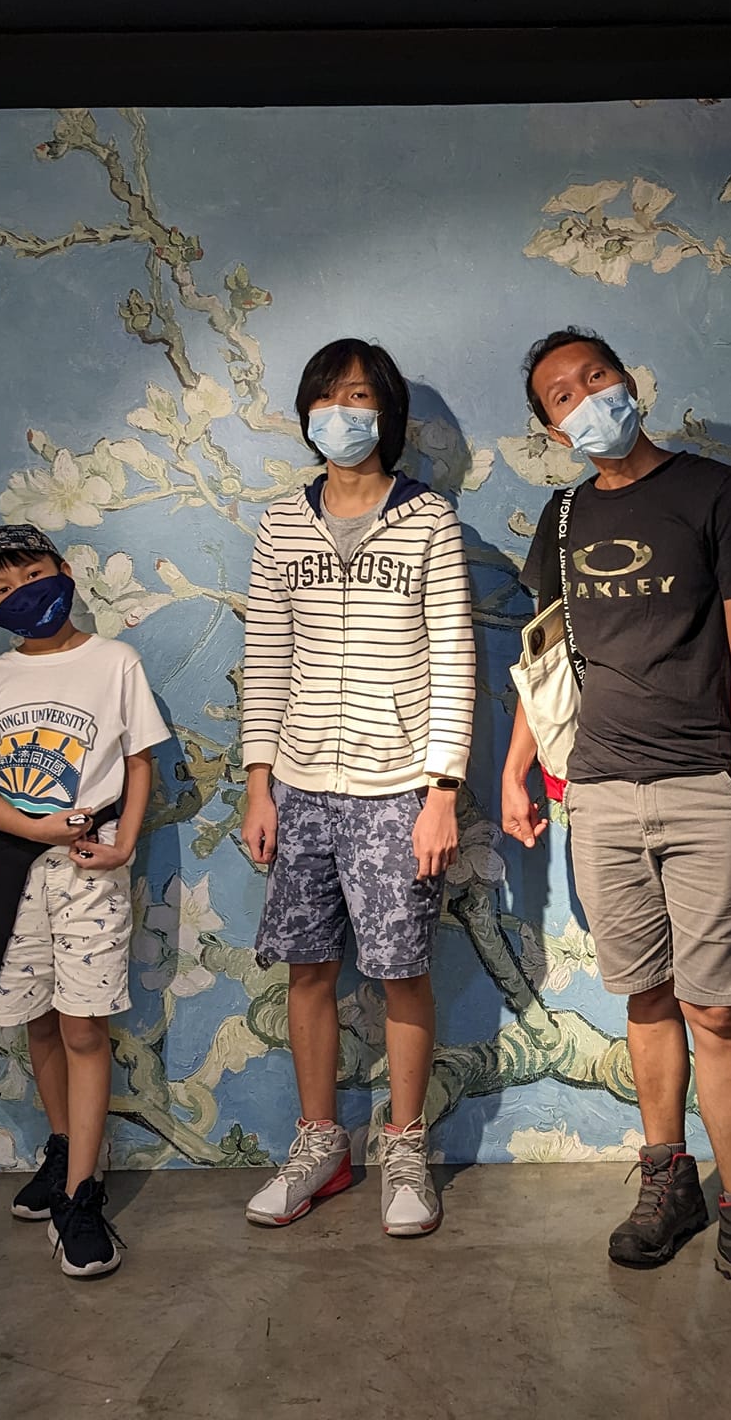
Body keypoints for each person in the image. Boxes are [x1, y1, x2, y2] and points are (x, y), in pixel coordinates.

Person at [500, 327, 731, 1328]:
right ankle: (667, 1182)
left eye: (593, 377)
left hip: (702, 788)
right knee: (644, 997)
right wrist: (517, 768)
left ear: (627, 380)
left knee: (716, 1014)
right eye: (560, 396)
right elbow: (545, 658)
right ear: (551, 429)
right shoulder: (562, 518)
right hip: (599, 792)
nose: (584, 399)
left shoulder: (715, 493)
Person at [239, 337, 477, 1237]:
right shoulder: (280, 525)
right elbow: (266, 659)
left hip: (398, 786)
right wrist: (258, 785)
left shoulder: (428, 520)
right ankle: (319, 1144)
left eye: (361, 397)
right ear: (307, 412)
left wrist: (441, 792)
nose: (343, 412)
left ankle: (405, 1147)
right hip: (299, 785)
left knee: (402, 969)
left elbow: (454, 657)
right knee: (309, 968)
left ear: (387, 415)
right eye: (329, 396)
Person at [0, 523, 168, 1278]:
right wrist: (33, 827)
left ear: (64, 571)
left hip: (87, 865)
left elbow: (140, 762)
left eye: (32, 576)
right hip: (12, 866)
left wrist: (124, 843)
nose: (22, 594)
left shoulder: (114, 662)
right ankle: (66, 1148)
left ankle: (81, 1197)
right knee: (37, 1018)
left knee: (82, 1024)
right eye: (2, 590)